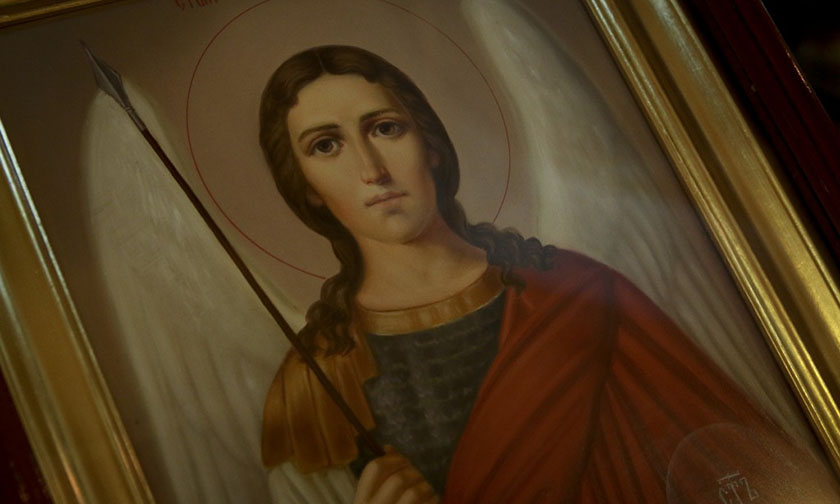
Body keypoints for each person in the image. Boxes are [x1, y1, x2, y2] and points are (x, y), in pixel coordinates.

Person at [258, 45, 838, 503]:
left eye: (385, 128)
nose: (371, 169)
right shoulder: (314, 384)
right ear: (306, 188)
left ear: (429, 144)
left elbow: (737, 466)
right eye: (326, 146)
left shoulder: (579, 293)